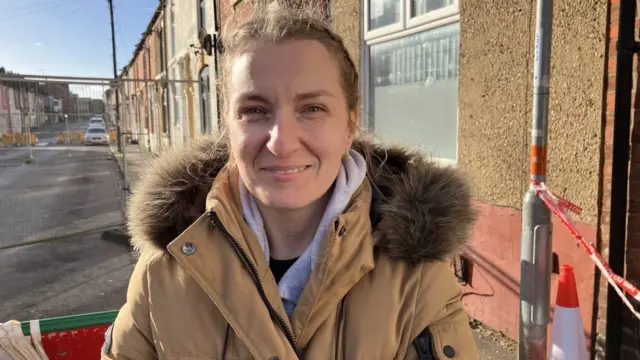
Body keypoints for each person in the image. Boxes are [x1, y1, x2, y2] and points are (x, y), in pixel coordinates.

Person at [101, 3, 479, 359]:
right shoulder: (162, 275)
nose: (281, 142)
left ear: (349, 125)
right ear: (227, 127)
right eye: (254, 110)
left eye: (312, 108)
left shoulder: (419, 286)